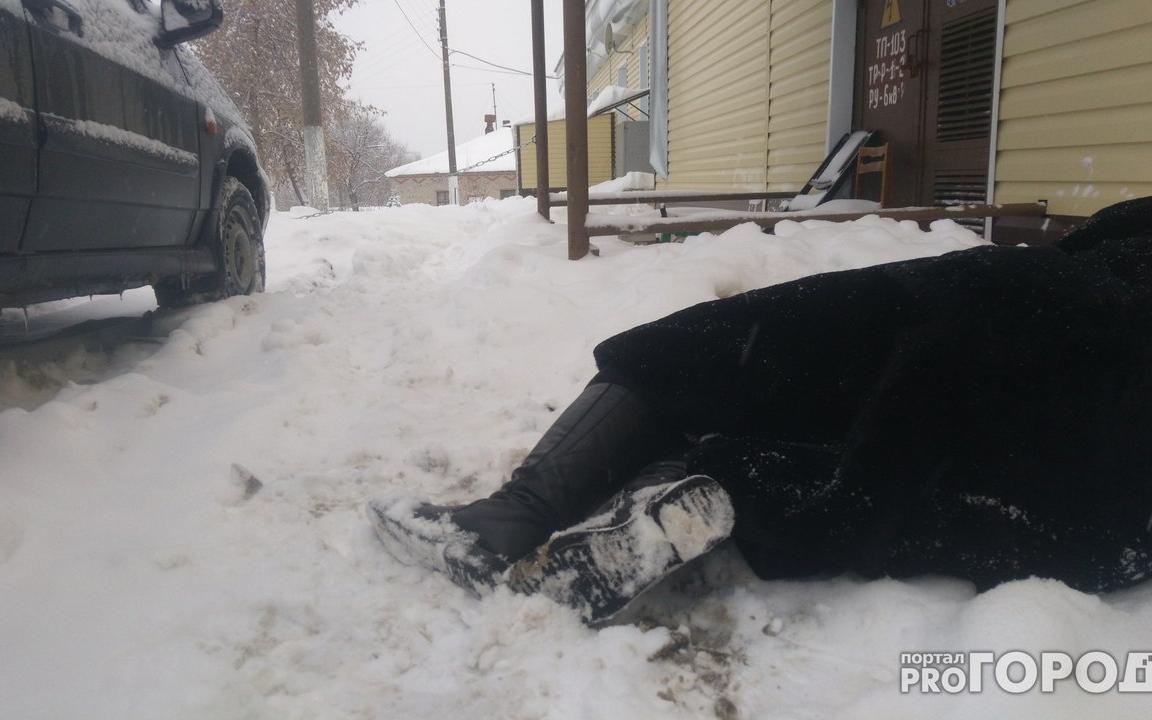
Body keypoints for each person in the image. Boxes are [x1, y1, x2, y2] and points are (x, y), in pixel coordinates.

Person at [370, 197, 1152, 624]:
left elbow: (946, 364)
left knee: (709, 351)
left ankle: (513, 517)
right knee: (938, 497)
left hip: (1038, 330)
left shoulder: (1070, 283)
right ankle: (711, 483)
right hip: (1111, 521)